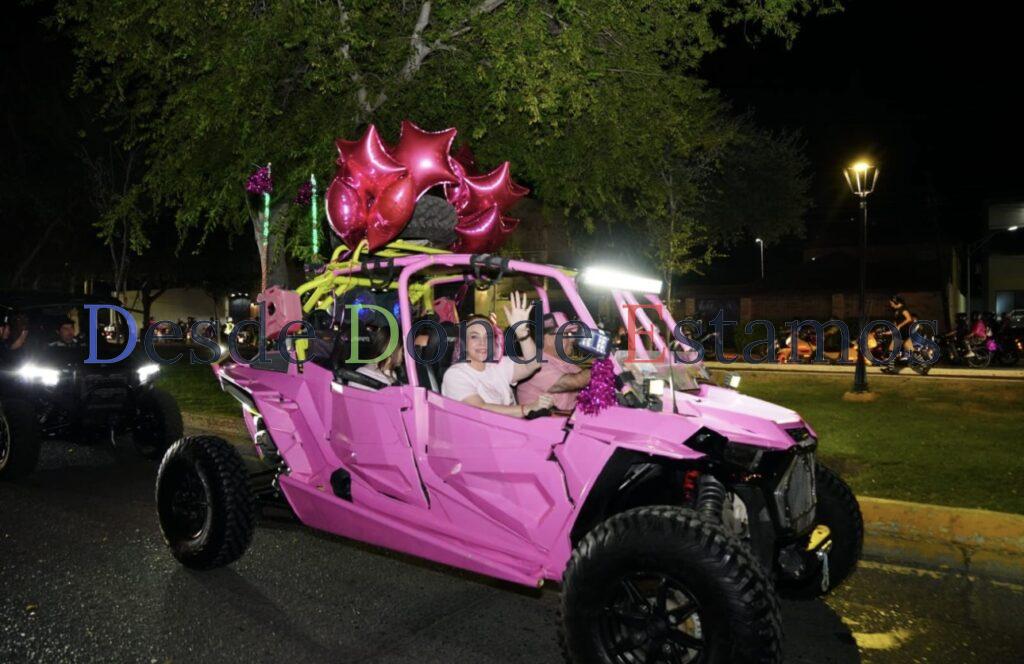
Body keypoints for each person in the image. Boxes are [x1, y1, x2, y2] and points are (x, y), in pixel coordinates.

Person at [442, 291, 552, 418]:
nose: (483, 343)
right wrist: (527, 409)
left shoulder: (498, 365)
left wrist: (522, 333)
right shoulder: (455, 374)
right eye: (474, 337)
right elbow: (480, 409)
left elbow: (533, 364)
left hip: (513, 429)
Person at [517, 315, 591, 411]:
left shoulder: (563, 361)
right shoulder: (534, 362)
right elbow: (575, 382)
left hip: (566, 419)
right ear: (548, 339)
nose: (572, 339)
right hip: (542, 424)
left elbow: (585, 380)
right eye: (567, 334)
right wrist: (602, 368)